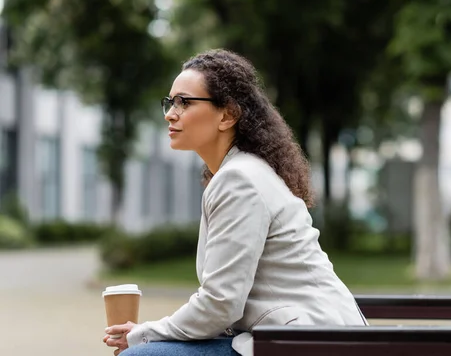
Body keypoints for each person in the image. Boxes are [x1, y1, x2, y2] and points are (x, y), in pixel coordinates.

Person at [103, 49, 367, 356]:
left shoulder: (240, 180)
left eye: (184, 102)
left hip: (308, 341)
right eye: (170, 101)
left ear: (228, 115)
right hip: (300, 336)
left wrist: (145, 334)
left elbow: (219, 305)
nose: (170, 113)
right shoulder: (240, 173)